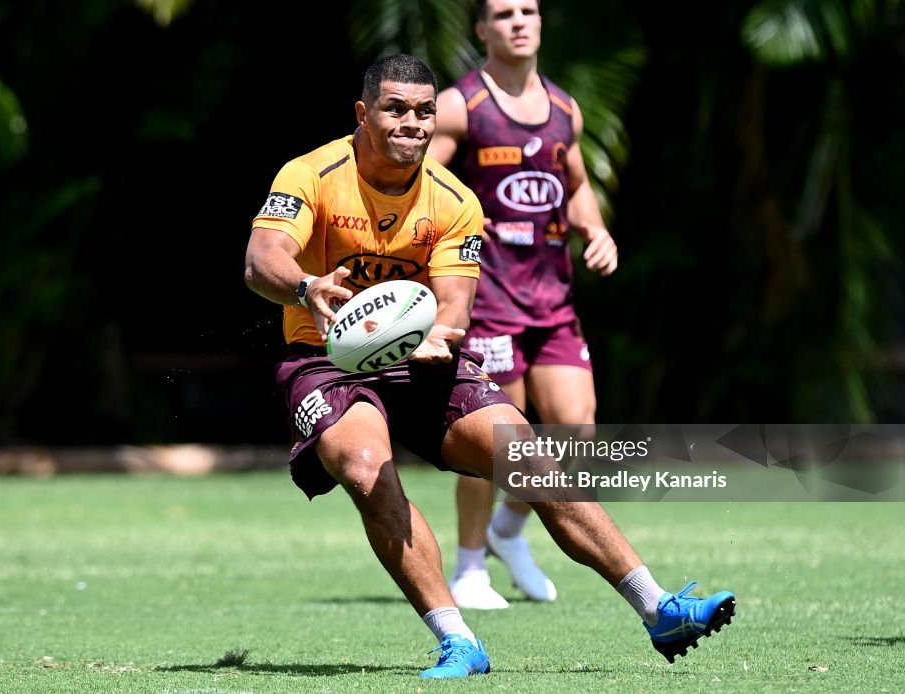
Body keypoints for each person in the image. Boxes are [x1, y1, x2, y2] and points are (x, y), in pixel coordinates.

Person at [244, 53, 735, 680]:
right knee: (368, 470)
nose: (412, 123)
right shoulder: (311, 173)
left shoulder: (454, 200)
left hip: (421, 360)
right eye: (395, 109)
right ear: (363, 114)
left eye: (424, 112)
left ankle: (659, 608)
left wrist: (437, 338)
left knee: (530, 458)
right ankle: (458, 642)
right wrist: (308, 286)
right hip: (325, 359)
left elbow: (454, 305)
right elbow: (263, 260)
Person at [426, 0, 618, 610]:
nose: (518, 21)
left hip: (552, 299)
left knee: (575, 434)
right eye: (503, 12)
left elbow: (578, 183)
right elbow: (420, 185)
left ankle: (510, 531)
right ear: (481, 29)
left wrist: (596, 230)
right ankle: (469, 568)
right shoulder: (462, 105)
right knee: (497, 442)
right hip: (486, 300)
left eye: (528, 10)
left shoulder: (565, 110)